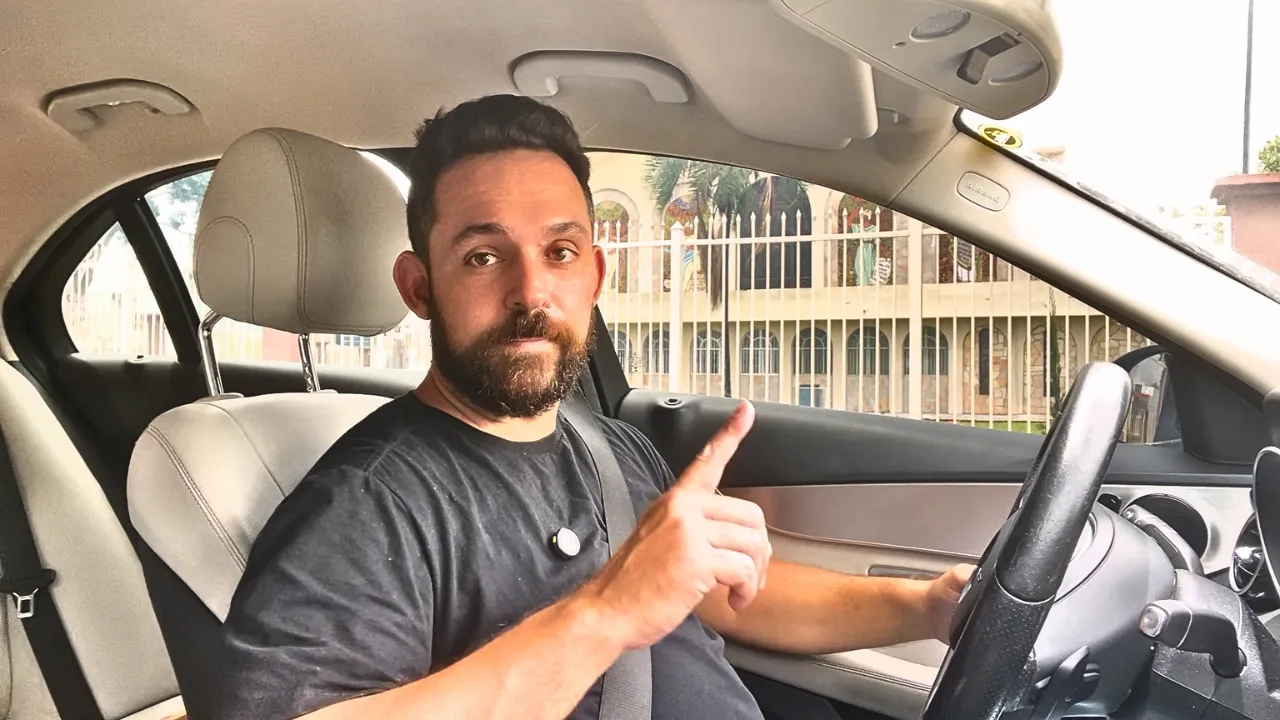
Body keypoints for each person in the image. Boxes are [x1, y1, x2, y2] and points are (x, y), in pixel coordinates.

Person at [210, 94, 974, 720]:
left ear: (595, 276)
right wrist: (605, 613)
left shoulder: (609, 446)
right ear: (420, 287)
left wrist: (925, 608)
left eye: (560, 252)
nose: (531, 292)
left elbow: (725, 596)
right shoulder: (368, 503)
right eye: (483, 256)